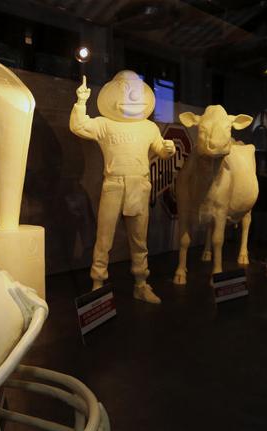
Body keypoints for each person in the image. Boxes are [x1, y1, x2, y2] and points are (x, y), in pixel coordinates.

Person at [70, 71, 176, 303]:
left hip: (139, 186)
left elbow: (161, 148)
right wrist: (81, 101)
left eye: (136, 92)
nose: (132, 97)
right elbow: (78, 126)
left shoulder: (148, 127)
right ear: (114, 94)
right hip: (113, 186)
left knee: (139, 239)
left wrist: (169, 149)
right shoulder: (105, 124)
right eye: (126, 92)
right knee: (104, 238)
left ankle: (141, 283)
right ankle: (97, 283)